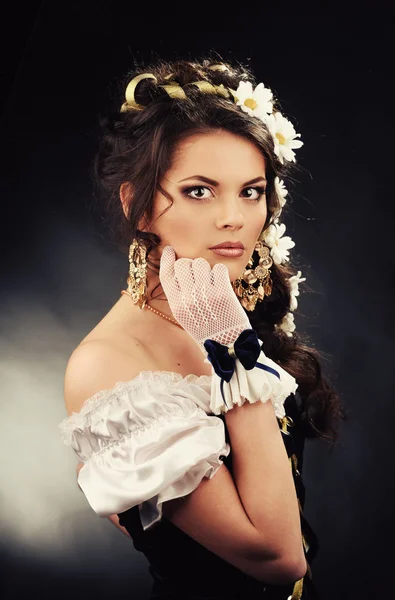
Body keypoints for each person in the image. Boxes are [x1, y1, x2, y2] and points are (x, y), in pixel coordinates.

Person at [58, 57, 347, 600]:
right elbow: (281, 558)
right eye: (198, 190)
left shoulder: (218, 304)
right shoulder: (108, 363)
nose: (232, 218)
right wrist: (230, 352)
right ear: (138, 207)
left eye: (250, 191)